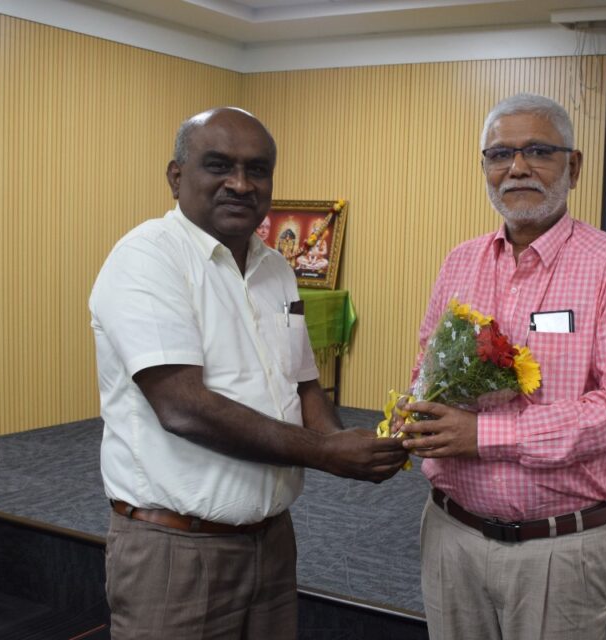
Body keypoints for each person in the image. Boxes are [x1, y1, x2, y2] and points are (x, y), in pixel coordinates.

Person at [89, 107, 408, 640]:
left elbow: (302, 384)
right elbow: (183, 407)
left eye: (257, 170)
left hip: (270, 541)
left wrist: (354, 446)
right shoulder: (147, 258)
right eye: (219, 166)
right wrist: (327, 453)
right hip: (177, 551)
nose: (241, 184)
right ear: (176, 176)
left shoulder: (275, 267)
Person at [398, 93, 606, 640]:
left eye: (538, 151)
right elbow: (426, 365)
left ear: (575, 165)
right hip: (450, 533)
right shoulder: (460, 261)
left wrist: (485, 434)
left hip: (557, 550)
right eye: (499, 155)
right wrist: (415, 410)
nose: (516, 167)